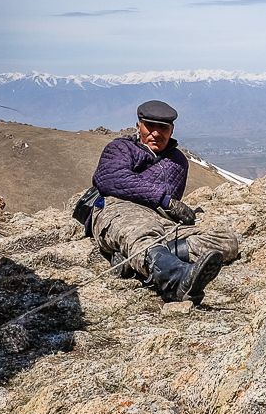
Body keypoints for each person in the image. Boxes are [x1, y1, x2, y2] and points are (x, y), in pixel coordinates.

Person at [87, 100, 239, 303]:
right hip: (118, 210)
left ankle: (138, 260)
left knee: (225, 240)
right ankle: (175, 280)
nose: (156, 133)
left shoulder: (178, 161)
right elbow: (111, 179)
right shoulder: (120, 149)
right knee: (142, 233)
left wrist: (170, 208)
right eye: (150, 126)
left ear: (172, 129)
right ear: (138, 125)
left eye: (163, 128)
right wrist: (164, 201)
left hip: (159, 218)